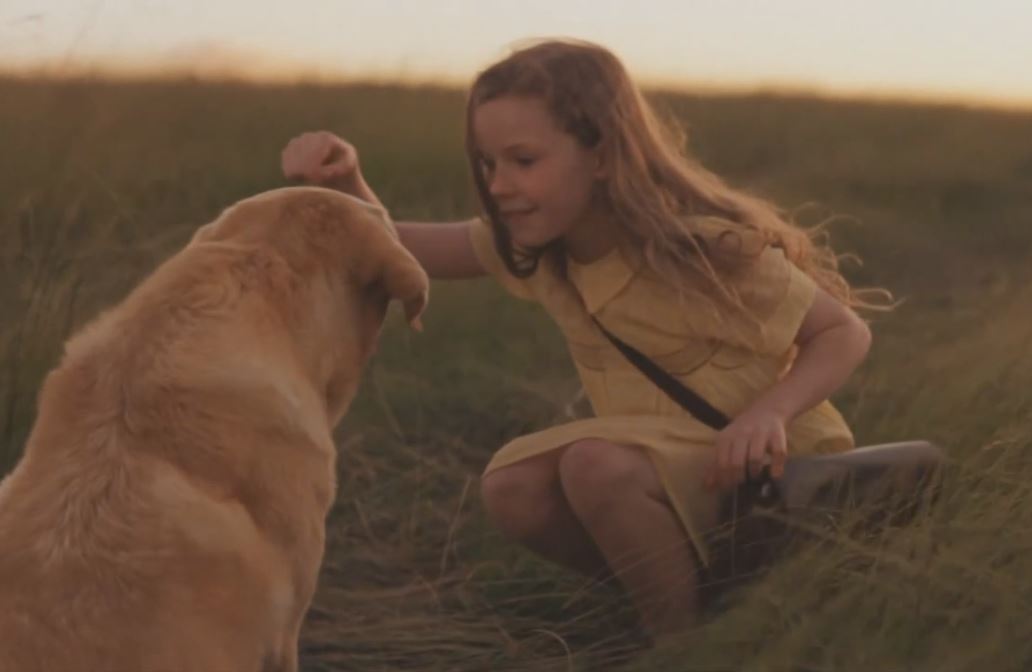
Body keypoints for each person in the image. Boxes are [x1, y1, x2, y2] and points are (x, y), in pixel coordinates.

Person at [281, 38, 899, 640]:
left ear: (601, 154)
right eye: (489, 164)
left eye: (524, 162)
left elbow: (843, 332)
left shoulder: (704, 250)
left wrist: (769, 415)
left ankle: (679, 643)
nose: (498, 186)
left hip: (772, 471)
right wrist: (343, 184)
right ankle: (700, 607)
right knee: (514, 488)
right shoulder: (542, 251)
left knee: (595, 464)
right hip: (668, 471)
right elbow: (397, 246)